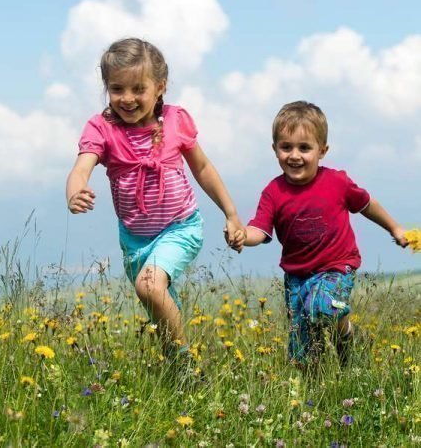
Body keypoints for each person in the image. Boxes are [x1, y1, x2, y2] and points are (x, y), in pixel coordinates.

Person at [66, 38, 246, 361]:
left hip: (181, 228)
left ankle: (186, 368)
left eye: (138, 89)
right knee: (158, 305)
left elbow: (203, 168)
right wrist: (75, 190)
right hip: (135, 240)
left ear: (160, 87)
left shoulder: (175, 121)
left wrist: (231, 213)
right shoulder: (102, 128)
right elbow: (81, 167)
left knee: (149, 286)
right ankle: (175, 365)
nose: (127, 98)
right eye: (117, 88)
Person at [240, 100, 408, 368]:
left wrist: (395, 228)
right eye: (286, 147)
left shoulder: (337, 182)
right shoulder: (273, 192)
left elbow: (367, 205)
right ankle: (314, 393)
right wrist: (241, 235)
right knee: (301, 353)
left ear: (322, 150)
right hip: (296, 276)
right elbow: (259, 230)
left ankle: (347, 335)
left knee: (323, 305)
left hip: (336, 267)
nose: (294, 155)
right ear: (275, 150)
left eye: (304, 148)